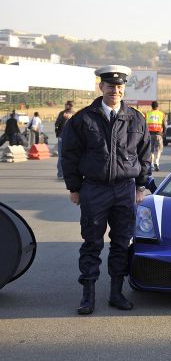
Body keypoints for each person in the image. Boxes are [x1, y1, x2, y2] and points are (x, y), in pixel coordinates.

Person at [61, 65, 151, 315]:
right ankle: (87, 295)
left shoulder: (136, 118)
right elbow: (69, 155)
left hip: (125, 189)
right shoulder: (83, 119)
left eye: (119, 86)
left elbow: (144, 154)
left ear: (124, 89)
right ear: (101, 87)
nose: (115, 90)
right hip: (94, 189)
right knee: (92, 243)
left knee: (122, 243)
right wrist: (74, 188)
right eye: (110, 86)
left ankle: (116, 293)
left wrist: (141, 185)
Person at [54, 100, 76, 179]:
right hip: (72, 138)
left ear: (68, 106)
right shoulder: (75, 114)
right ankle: (68, 174)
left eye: (66, 105)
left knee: (61, 156)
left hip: (62, 137)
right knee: (71, 156)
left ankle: (60, 174)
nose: (65, 106)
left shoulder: (62, 114)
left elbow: (56, 124)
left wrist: (57, 133)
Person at [145, 100, 166, 171]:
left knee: (151, 151)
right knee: (159, 149)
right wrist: (164, 133)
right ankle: (157, 161)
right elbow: (164, 125)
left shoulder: (147, 114)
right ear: (158, 107)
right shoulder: (161, 114)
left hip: (150, 134)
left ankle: (151, 164)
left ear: (152, 107)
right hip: (158, 134)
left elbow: (144, 125)